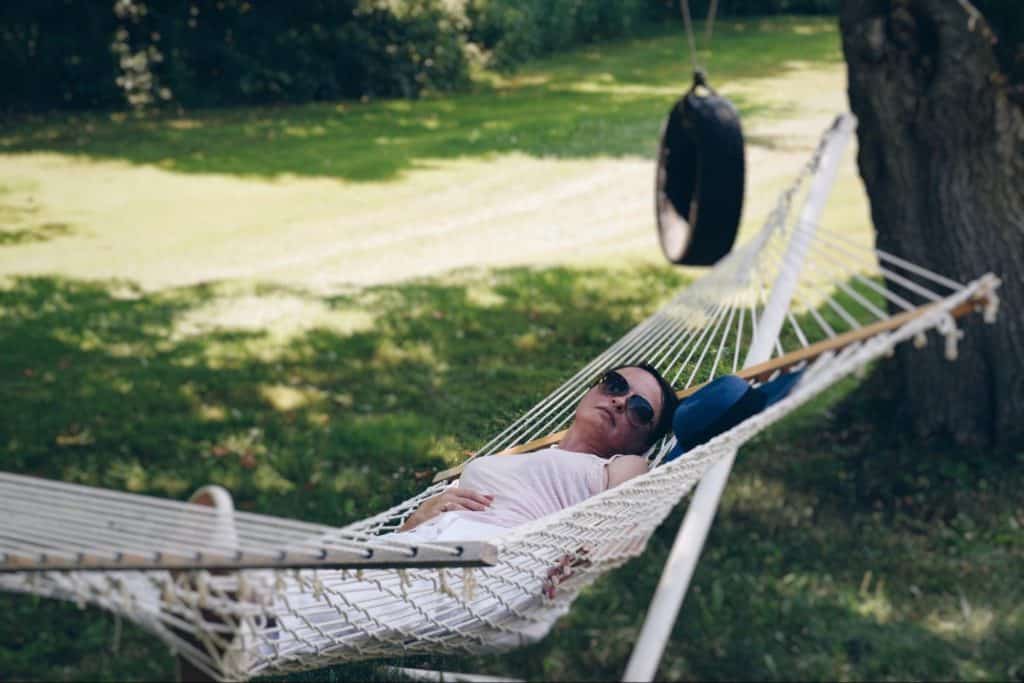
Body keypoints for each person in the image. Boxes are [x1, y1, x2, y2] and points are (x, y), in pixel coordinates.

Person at [395, 363, 678, 542]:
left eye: (639, 410)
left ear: (644, 442)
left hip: (485, 560)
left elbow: (621, 524)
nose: (619, 400)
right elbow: (405, 533)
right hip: (407, 548)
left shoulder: (625, 465)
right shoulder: (515, 459)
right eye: (615, 385)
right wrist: (418, 517)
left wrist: (581, 556)